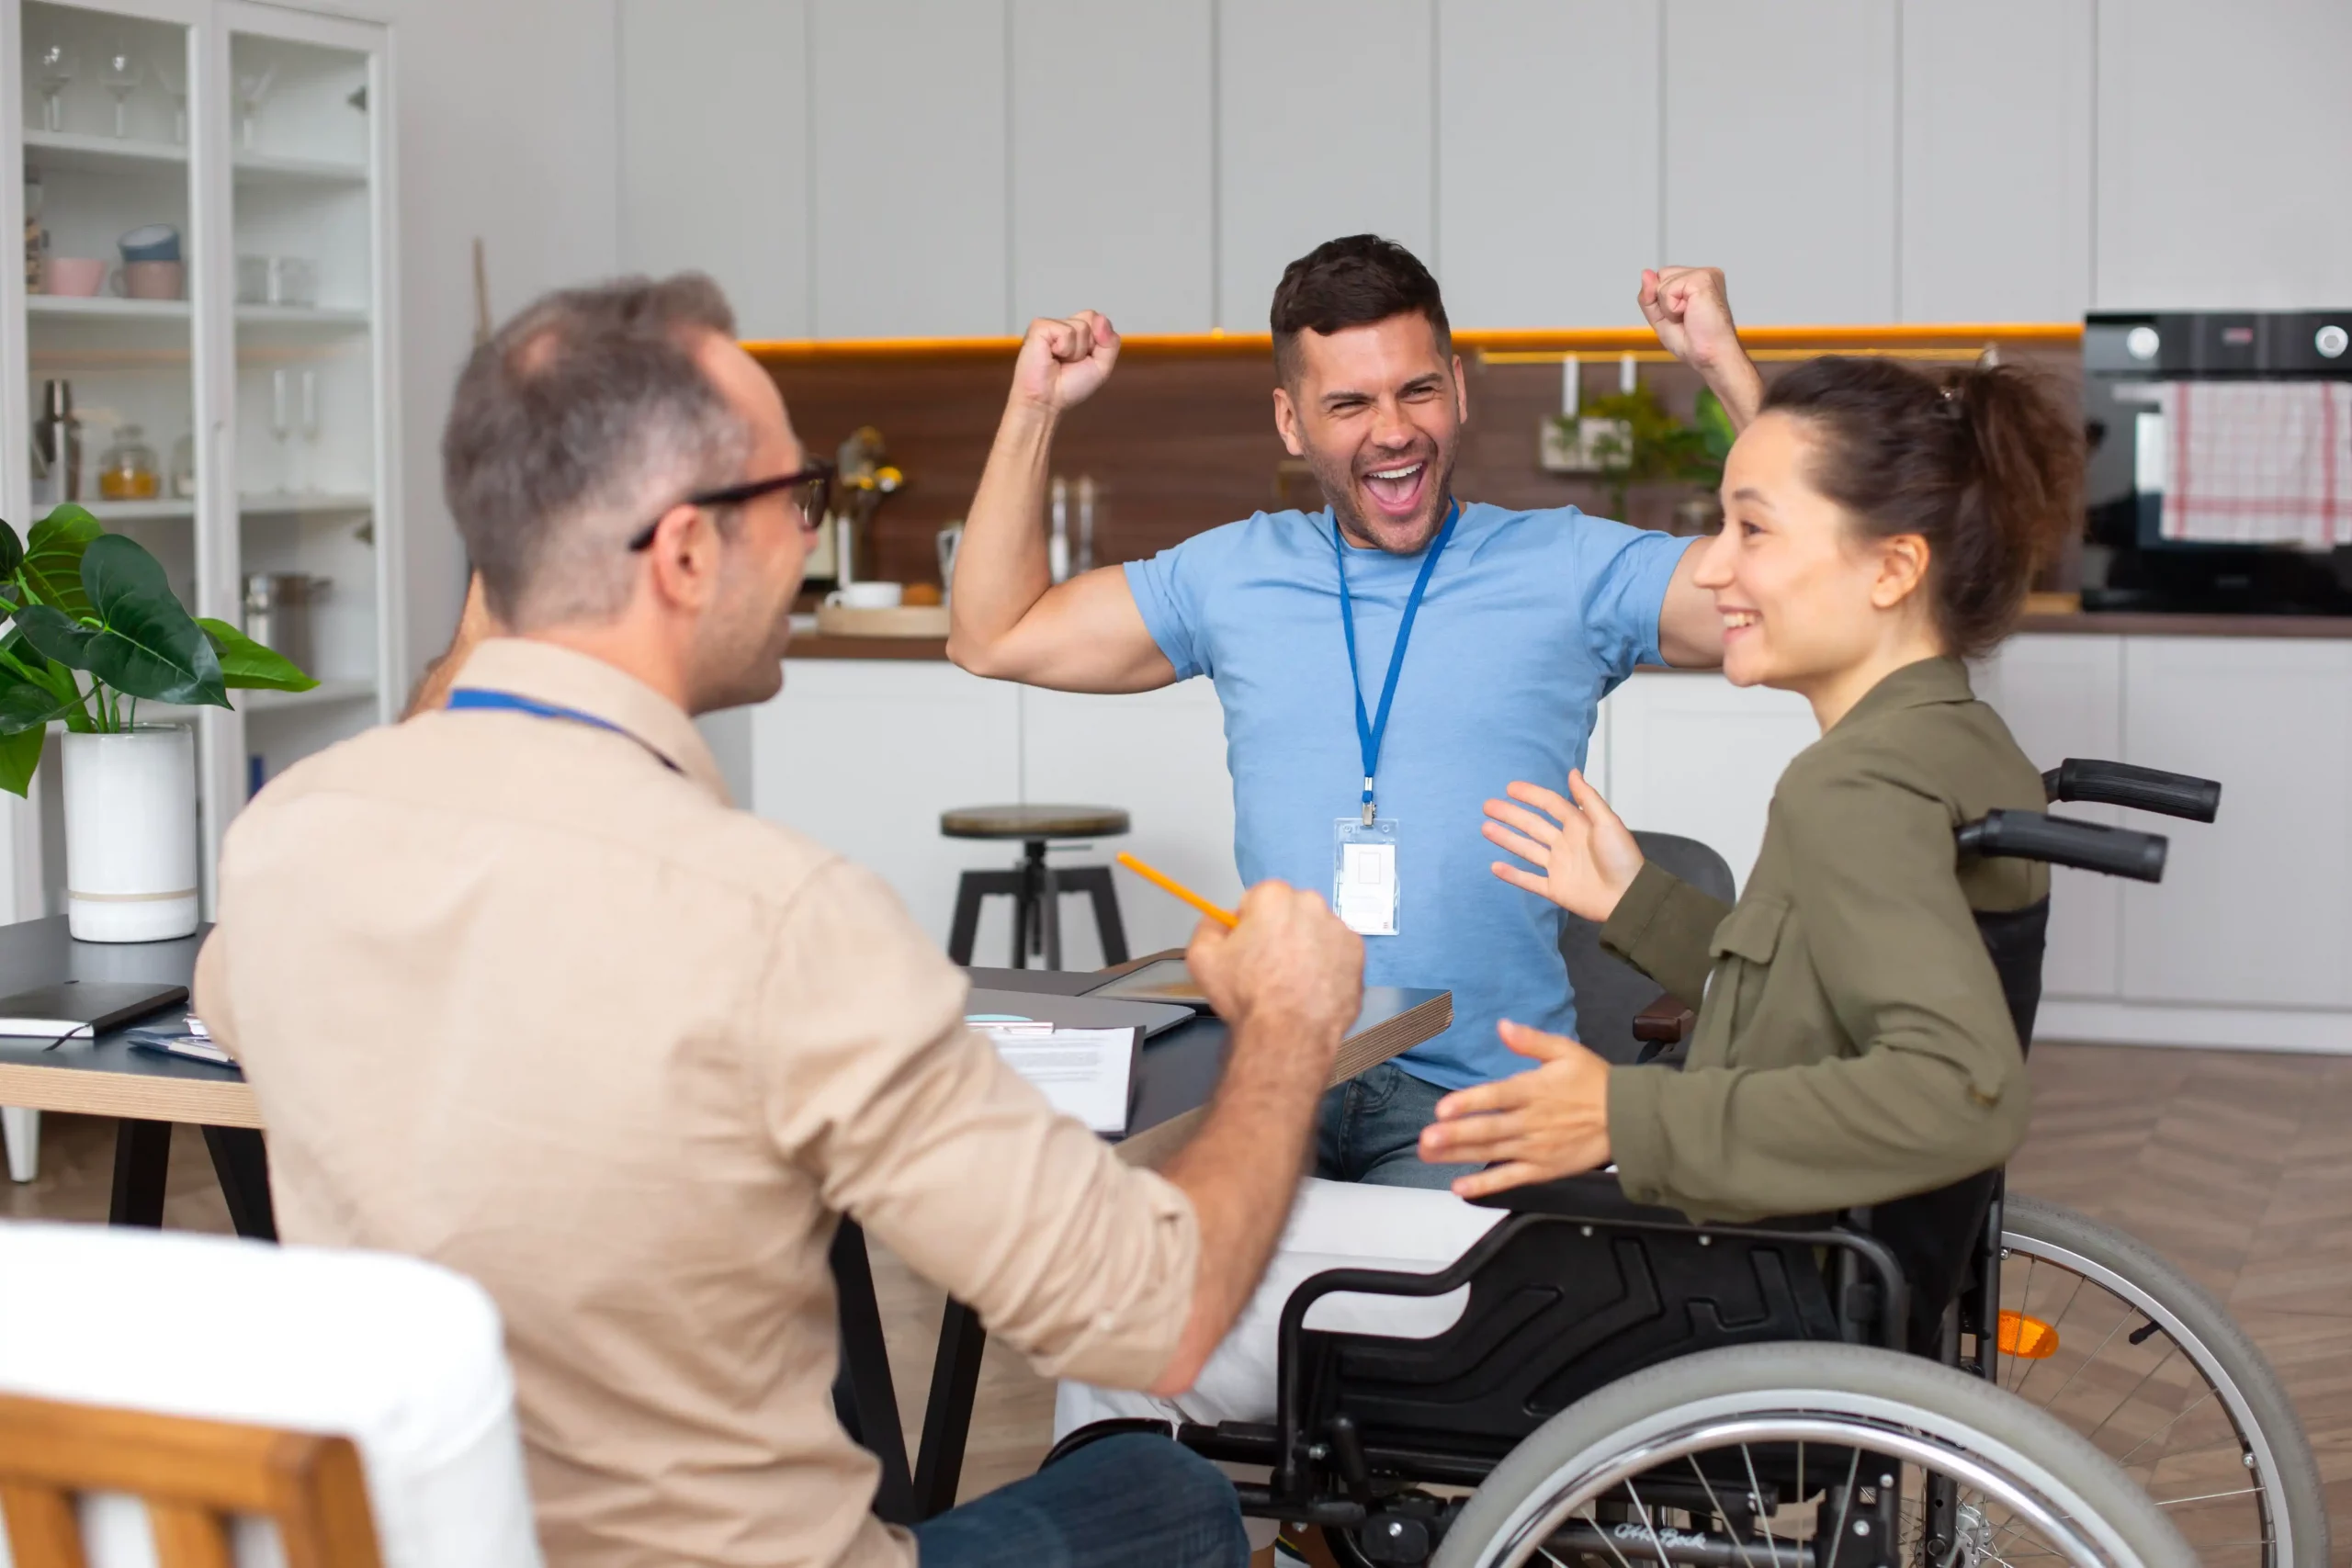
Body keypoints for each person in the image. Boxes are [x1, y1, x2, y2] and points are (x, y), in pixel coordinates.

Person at [194, 273, 1374, 1568]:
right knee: (1169, 1493)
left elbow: (254, 971)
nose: (811, 535)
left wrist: (504, 627)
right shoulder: (779, 921)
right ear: (689, 552)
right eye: (795, 496)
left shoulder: (284, 850)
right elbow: (1164, 1314)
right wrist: (1288, 1022)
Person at [1062, 349, 2079, 1440]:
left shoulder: (1855, 783)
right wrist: (1635, 903)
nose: (1717, 573)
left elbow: (1957, 1091)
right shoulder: (1956, 740)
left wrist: (1616, 1111)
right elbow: (1814, 1000)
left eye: (1752, 531)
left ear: (1890, 571)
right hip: (1773, 1256)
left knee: (1130, 1313)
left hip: (1694, 1280)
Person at [949, 237, 1760, 1187]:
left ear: (1457, 389)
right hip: (1275, 1081)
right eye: (1348, 404)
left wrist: (1722, 367)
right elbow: (991, 633)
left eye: (1415, 391)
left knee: (1392, 1314)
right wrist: (1034, 406)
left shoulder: (1569, 568)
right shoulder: (1232, 574)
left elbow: (1801, 585)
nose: (1391, 431)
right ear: (1291, 422)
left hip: (1478, 1103)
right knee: (1128, 1273)